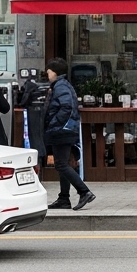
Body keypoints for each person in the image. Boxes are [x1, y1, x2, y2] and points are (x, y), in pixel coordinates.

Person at [44, 58, 95, 211]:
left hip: (62, 130)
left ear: (55, 73)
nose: (47, 75)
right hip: (64, 129)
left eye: (49, 72)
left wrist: (54, 123)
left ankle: (84, 191)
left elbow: (66, 107)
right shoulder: (62, 85)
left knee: (61, 164)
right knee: (63, 163)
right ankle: (64, 198)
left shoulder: (60, 86)